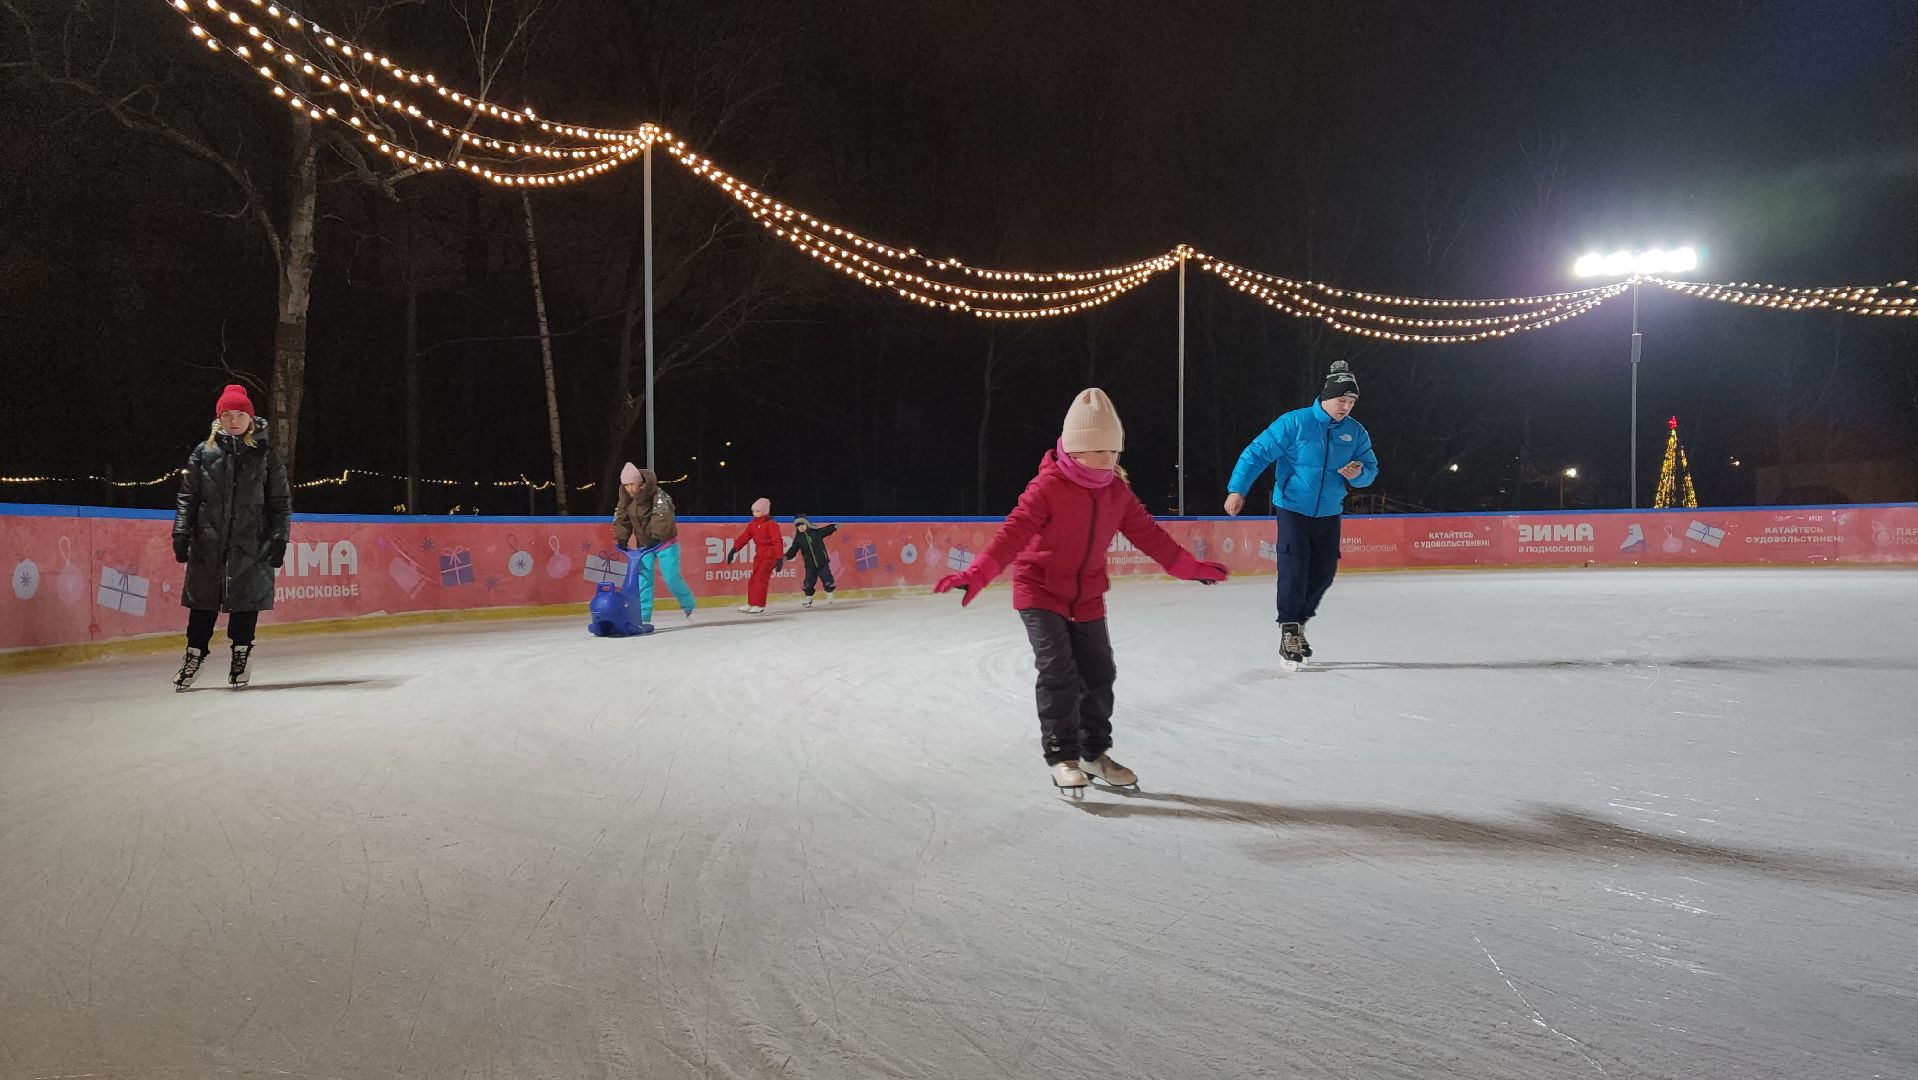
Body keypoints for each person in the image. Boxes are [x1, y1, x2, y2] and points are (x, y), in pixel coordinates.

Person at [935, 388, 1228, 795]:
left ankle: (1094, 754)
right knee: (1058, 671)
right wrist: (978, 573)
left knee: (1100, 672)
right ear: (1075, 449)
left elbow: (1151, 537)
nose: (1109, 459)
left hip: (1087, 595)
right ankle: (1062, 755)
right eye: (1099, 450)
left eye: (1114, 450)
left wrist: (1190, 568)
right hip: (1039, 590)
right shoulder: (1047, 487)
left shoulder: (1116, 493)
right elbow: (1012, 534)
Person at [1224, 359, 1378, 668]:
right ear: (1325, 397)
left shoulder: (1355, 432)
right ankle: (1290, 627)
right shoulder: (1295, 423)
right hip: (1293, 507)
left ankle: (1298, 621)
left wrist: (1356, 474)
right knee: (1294, 568)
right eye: (1341, 400)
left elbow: (1369, 470)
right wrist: (1238, 489)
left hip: (1330, 511)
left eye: (1350, 401)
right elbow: (1256, 453)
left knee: (1323, 573)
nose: (1345, 406)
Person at [170, 384, 291, 689]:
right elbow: (188, 496)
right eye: (227, 414)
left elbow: (280, 501)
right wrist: (182, 531)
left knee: (245, 601)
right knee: (202, 603)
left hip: (251, 543)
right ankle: (194, 654)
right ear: (219, 418)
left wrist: (278, 538)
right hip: (209, 541)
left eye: (240, 414)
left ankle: (241, 653)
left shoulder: (265, 455)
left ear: (250, 418)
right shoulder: (204, 452)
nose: (233, 420)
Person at [613, 462, 696, 624]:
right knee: (643, 580)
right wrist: (622, 537)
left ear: (641, 483)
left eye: (632, 484)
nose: (629, 489)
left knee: (671, 578)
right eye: (626, 485)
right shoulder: (625, 497)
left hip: (665, 542)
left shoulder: (658, 494)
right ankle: (644, 617)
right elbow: (621, 517)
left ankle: (689, 606)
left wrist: (657, 536)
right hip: (644, 545)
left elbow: (662, 515)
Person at [725, 497, 784, 613]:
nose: (755, 513)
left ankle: (759, 604)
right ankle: (751, 602)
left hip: (770, 555)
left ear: (764, 511)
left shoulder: (771, 524)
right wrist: (734, 550)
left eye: (758, 511)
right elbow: (744, 537)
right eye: (754, 511)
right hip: (760, 555)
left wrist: (779, 558)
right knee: (753, 579)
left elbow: (777, 541)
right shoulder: (753, 524)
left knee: (761, 579)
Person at [783, 515, 839, 607]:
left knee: (827, 579)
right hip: (810, 565)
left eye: (802, 524)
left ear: (807, 524)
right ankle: (808, 598)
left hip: (822, 562)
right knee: (808, 583)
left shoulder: (816, 532)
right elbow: (793, 550)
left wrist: (834, 527)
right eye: (798, 525)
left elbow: (826, 530)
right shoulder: (798, 539)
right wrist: (785, 558)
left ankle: (830, 595)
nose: (801, 527)